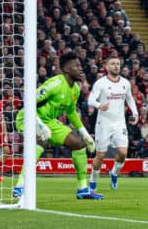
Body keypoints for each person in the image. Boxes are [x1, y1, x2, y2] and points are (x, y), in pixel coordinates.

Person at [13, 52, 103, 199]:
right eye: (76, 66)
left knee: (78, 144)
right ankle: (20, 186)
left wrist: (85, 134)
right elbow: (29, 101)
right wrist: (39, 124)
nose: (80, 69)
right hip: (29, 117)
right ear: (67, 69)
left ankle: (83, 189)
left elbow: (71, 112)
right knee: (40, 140)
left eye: (80, 65)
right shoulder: (55, 84)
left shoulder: (74, 89)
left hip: (49, 121)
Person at [88, 56, 138, 191]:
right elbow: (90, 100)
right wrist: (99, 105)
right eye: (113, 64)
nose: (116, 66)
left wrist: (135, 113)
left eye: (118, 64)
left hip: (119, 123)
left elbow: (130, 99)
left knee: (122, 153)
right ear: (107, 67)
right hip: (103, 123)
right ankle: (93, 180)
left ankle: (114, 173)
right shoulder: (100, 83)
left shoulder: (125, 83)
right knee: (101, 155)